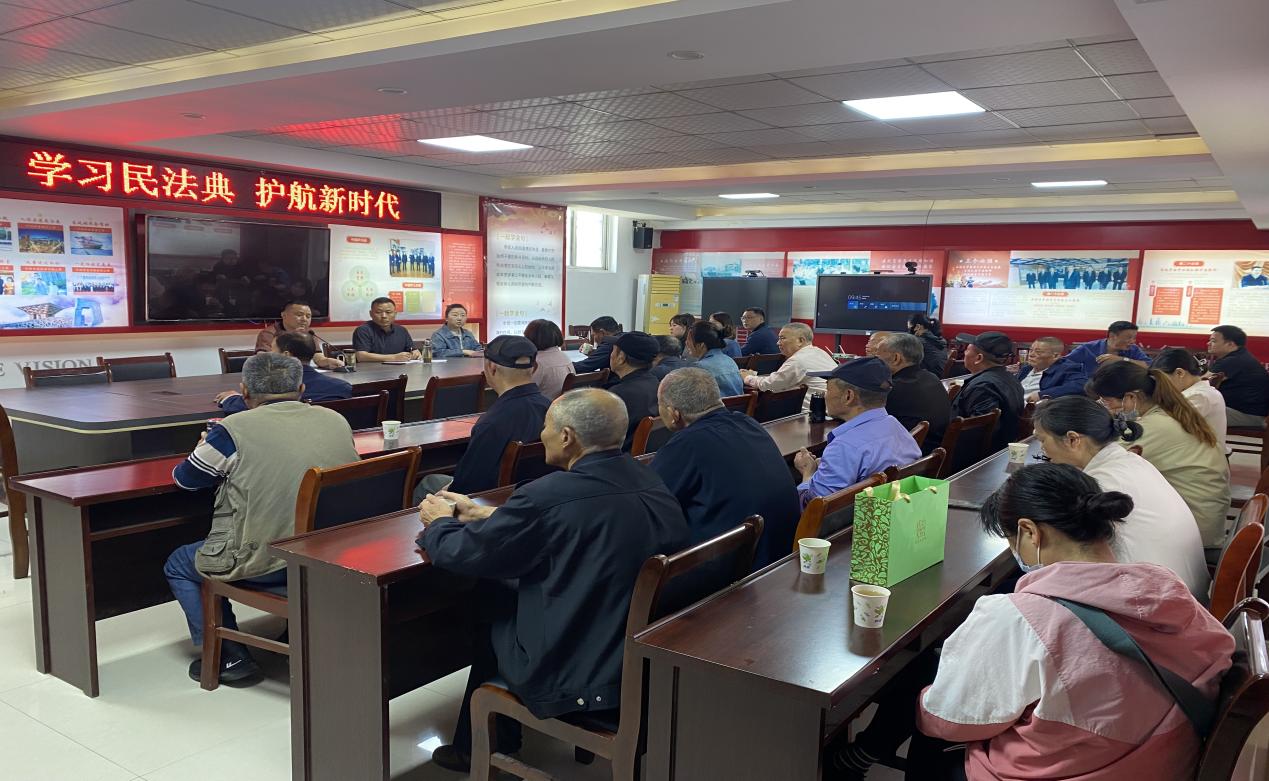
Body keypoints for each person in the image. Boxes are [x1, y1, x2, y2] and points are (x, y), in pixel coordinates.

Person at [416, 389, 689, 771]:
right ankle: (485, 740)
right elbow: (576, 519)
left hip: (580, 669)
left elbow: (465, 554)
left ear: (566, 436)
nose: (540, 435)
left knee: (490, 601)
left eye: (546, 427)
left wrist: (439, 523)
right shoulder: (649, 479)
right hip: (635, 655)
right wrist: (483, 514)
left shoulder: (547, 495)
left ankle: (482, 746)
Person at [910, 463, 1232, 780]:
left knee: (929, 733)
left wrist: (925, 702)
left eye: (1011, 540)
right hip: (1163, 764)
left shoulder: (1022, 618)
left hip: (1078, 770)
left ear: (1030, 532)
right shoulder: (1167, 590)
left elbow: (951, 720)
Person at [164, 353, 358, 683]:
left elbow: (186, 479)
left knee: (179, 563)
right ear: (301, 388)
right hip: (334, 554)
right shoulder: (335, 420)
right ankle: (294, 631)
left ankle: (228, 657)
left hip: (272, 561)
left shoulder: (231, 430)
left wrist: (203, 447)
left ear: (244, 392)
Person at [1031, 396, 1209, 598]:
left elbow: (1066, 554)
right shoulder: (1130, 461)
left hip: (1158, 602)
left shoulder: (1099, 484)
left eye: (1042, 441)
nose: (1043, 451)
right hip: (1186, 591)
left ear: (1073, 439)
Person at [652, 368, 800, 569]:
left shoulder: (687, 444)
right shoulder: (749, 422)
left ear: (673, 414)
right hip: (782, 548)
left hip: (739, 565)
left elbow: (652, 503)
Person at [1088, 361, 1231, 550]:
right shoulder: (1170, 412)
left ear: (1131, 397)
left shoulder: (1154, 427)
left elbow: (1096, 460)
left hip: (1194, 530)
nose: (1105, 407)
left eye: (1107, 401)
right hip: (1201, 517)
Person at [414, 335, 552, 500]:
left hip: (492, 502)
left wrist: (447, 490)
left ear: (491, 367)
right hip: (539, 495)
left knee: (428, 483)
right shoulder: (552, 409)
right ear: (534, 368)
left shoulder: (491, 423)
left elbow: (466, 486)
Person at [793, 357, 920, 507]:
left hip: (851, 519)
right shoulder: (896, 427)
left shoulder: (844, 446)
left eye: (828, 389)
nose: (825, 395)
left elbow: (812, 508)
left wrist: (807, 473)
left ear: (848, 396)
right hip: (896, 509)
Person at [216, 332, 351, 414]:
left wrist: (230, 398)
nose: (270, 354)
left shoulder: (274, 387)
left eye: (273, 350)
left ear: (286, 355)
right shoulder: (342, 388)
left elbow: (246, 405)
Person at [873, 333, 951, 454]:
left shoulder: (894, 388)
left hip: (907, 457)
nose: (875, 361)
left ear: (896, 358)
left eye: (877, 356)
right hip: (933, 454)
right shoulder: (932, 378)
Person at [952, 331, 1025, 458]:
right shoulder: (1012, 379)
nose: (965, 353)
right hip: (1001, 451)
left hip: (976, 459)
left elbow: (976, 433)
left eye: (967, 350)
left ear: (978, 358)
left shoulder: (982, 387)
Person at [740, 322, 836, 412]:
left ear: (800, 341)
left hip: (809, 414)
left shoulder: (798, 360)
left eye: (782, 338)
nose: (778, 343)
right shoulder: (821, 353)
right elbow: (779, 380)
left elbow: (769, 385)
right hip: (828, 409)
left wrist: (747, 377)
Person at [1152, 347, 1227, 453]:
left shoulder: (1199, 396)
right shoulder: (1196, 391)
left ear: (1179, 373)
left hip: (1205, 455)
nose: (1161, 386)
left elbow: (1169, 427)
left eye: (1163, 380)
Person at [606, 331, 662, 450]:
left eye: (613, 351)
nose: (610, 355)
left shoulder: (617, 396)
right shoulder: (657, 384)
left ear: (621, 357)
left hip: (620, 457)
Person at [1208, 324, 1269, 428]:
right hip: (1241, 411)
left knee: (1189, 412)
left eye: (1213, 341)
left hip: (1248, 415)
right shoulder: (1238, 356)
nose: (1208, 343)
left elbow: (1200, 383)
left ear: (1230, 344)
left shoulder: (1233, 360)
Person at [254, 300, 344, 370]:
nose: (304, 319)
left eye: (308, 316)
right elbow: (262, 358)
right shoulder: (269, 333)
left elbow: (317, 357)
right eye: (299, 315)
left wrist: (327, 361)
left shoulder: (308, 333)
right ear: (284, 315)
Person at [1016, 336, 1087, 402]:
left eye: (1038, 352)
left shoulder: (1066, 368)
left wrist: (1042, 395)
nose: (1031, 355)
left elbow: (1080, 386)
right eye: (1031, 350)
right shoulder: (1026, 369)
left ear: (1055, 356)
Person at [1065, 321, 1150, 376]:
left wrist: (1122, 359)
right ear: (1112, 336)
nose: (1132, 341)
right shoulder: (1088, 349)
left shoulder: (1133, 349)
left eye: (1134, 338)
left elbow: (1149, 365)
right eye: (1129, 337)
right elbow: (1064, 364)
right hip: (1090, 389)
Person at [685, 320, 744, 396]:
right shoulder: (729, 360)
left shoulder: (699, 367)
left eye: (689, 340)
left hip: (717, 404)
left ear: (701, 345)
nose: (686, 343)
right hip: (740, 403)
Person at [352, 297, 420, 362]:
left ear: (395, 314)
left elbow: (412, 350)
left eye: (388, 312)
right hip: (372, 369)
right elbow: (361, 356)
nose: (384, 316)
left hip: (401, 369)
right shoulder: (363, 330)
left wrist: (415, 353)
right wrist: (393, 357)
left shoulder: (401, 330)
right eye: (378, 312)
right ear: (371, 314)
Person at [522, 319, 575, 398]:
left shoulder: (538, 363)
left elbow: (524, 391)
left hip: (542, 404)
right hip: (560, 403)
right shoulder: (564, 356)